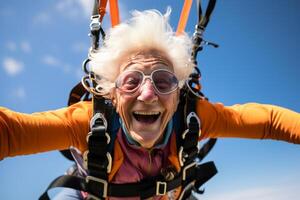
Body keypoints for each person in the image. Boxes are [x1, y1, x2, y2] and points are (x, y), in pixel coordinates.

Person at [1, 9, 300, 200]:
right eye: (131, 80)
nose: (147, 94)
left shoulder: (191, 117)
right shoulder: (89, 121)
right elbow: (11, 132)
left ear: (178, 93)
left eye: (164, 81)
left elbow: (269, 121)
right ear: (113, 94)